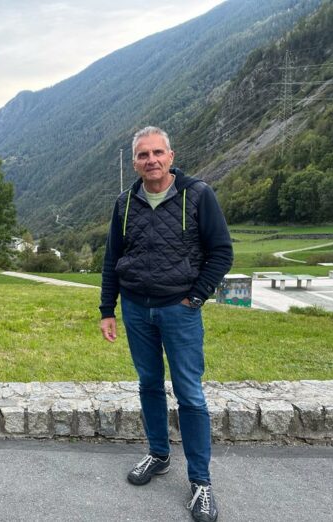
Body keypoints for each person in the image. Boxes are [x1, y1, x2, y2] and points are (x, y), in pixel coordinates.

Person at [99, 126, 233, 522]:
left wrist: (196, 297)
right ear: (134, 162)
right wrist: (108, 309)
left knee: (190, 393)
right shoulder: (124, 203)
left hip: (180, 310)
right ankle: (158, 454)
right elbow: (112, 259)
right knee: (149, 384)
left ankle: (201, 482)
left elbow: (222, 252)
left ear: (171, 157)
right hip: (136, 309)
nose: (151, 160)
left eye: (158, 152)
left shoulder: (198, 195)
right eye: (143, 155)